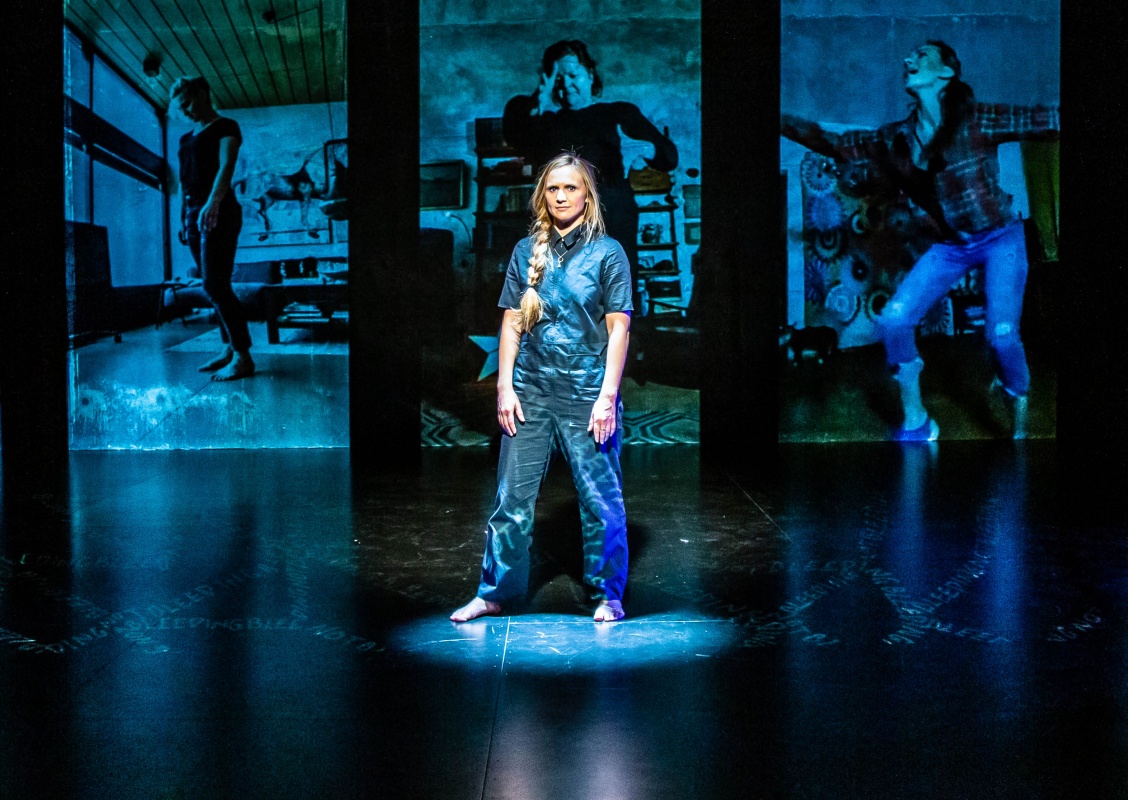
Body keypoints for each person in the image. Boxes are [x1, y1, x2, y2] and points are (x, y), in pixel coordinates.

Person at [781, 41, 1059, 439]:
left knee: (1001, 336)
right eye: (910, 55)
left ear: (946, 72)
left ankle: (1017, 410)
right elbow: (831, 142)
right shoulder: (897, 139)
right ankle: (917, 420)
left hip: (1001, 239)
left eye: (922, 55)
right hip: (950, 248)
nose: (908, 59)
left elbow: (1045, 118)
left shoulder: (979, 119)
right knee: (894, 319)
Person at [451, 152, 632, 624]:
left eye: (571, 187)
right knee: (511, 500)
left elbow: (619, 329)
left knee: (600, 500)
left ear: (587, 195)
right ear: (542, 196)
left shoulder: (607, 253)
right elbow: (511, 323)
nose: (561, 196)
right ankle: (495, 593)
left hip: (586, 393)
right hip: (530, 391)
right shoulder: (525, 251)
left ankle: (607, 594)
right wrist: (504, 387)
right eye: (553, 188)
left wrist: (607, 397)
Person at [503, 39, 678, 314]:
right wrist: (540, 93)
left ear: (590, 74)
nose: (566, 85)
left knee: (614, 306)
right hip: (561, 228)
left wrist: (645, 148)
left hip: (611, 221)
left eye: (573, 75)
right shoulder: (545, 124)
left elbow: (669, 156)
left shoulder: (617, 113)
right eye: (558, 79)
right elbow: (513, 132)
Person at [172, 76, 255, 381]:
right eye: (181, 107)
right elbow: (183, 184)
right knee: (216, 283)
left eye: (188, 103)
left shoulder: (226, 126)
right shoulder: (184, 139)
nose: (186, 111)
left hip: (220, 209)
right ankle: (228, 348)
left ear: (203, 94)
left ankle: (243, 356)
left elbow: (226, 166)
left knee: (214, 285)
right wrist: (182, 218)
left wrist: (213, 202)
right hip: (193, 213)